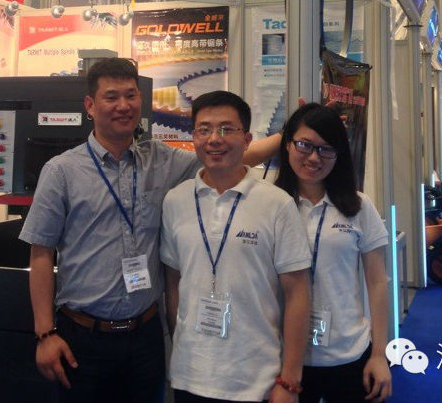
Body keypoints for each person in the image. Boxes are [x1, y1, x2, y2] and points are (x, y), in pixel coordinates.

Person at [18, 59, 281, 402]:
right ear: (90, 105)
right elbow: (41, 254)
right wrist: (44, 334)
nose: (123, 105)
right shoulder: (61, 171)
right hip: (83, 337)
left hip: (145, 337)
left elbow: (230, 156)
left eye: (131, 95)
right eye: (111, 97)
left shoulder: (161, 159)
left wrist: (291, 133)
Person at [161, 91, 311, 403]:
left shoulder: (276, 204)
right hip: (190, 376)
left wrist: (290, 379)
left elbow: (298, 292)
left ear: (247, 139)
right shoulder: (175, 200)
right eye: (204, 129)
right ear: (194, 138)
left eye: (226, 129)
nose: (214, 139)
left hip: (256, 379)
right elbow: (173, 282)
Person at [275, 102, 391, 403]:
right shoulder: (271, 205)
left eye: (326, 149)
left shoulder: (358, 206)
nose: (314, 157)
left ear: (339, 155)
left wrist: (380, 354)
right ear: (287, 145)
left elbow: (378, 282)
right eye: (304, 145)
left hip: (349, 352)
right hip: (285, 358)